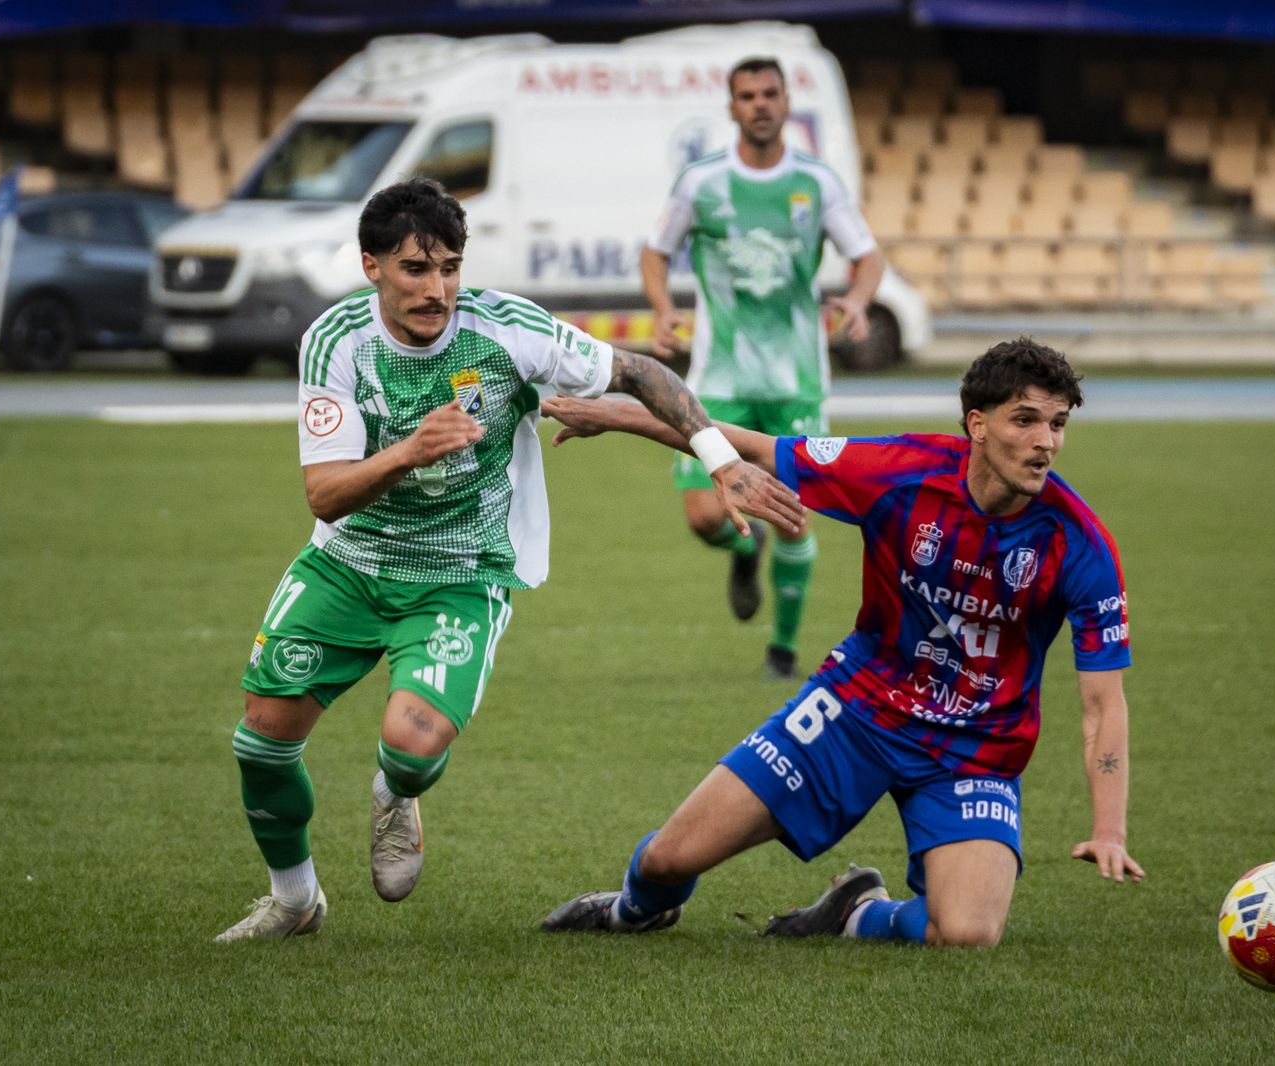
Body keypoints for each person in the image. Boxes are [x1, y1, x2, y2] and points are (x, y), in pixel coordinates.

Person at [216, 177, 802, 942]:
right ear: (371, 266)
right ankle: (294, 901)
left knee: (414, 745)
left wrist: (722, 462)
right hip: (349, 563)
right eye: (415, 270)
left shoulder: (507, 330)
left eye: (450, 267)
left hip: (463, 571)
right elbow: (325, 495)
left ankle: (396, 793)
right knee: (261, 741)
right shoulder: (334, 342)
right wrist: (409, 451)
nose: (438, 289)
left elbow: (643, 374)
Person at [538, 338, 1142, 947]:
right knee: (669, 859)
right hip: (858, 710)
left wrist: (1110, 829)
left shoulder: (1081, 544)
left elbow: (1102, 704)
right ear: (977, 425)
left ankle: (855, 912)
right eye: (1026, 420)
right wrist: (620, 415)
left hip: (975, 748)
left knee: (967, 932)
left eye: (1058, 424)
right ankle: (633, 910)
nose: (1046, 442)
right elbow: (751, 446)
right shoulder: (903, 470)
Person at [640, 56, 885, 680]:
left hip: (795, 382)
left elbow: (868, 256)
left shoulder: (816, 183)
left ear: (785, 101)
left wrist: (856, 300)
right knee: (702, 517)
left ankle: (782, 648)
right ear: (732, 108)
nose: (759, 104)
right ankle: (744, 548)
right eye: (746, 95)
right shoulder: (702, 183)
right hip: (718, 380)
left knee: (793, 513)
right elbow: (655, 250)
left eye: (770, 93)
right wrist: (664, 308)